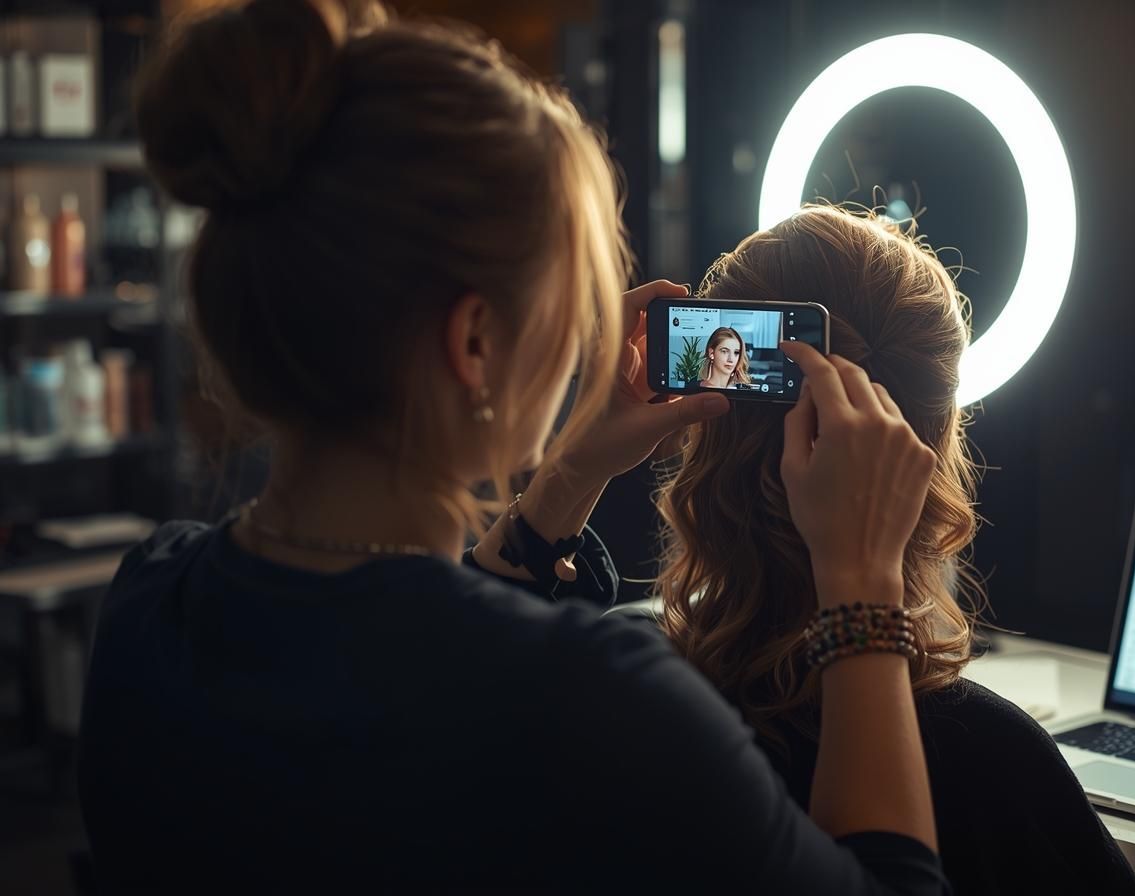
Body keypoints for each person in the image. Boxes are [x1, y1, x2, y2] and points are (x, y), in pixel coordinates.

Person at [76, 3, 950, 892]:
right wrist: (862, 589)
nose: (588, 332)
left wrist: (566, 480)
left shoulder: (148, 606)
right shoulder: (600, 705)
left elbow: (402, 659)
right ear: (475, 344)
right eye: (571, 295)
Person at [654, 206, 1135, 895]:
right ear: (925, 453)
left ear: (703, 437)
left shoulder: (624, 697)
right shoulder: (993, 761)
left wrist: (569, 476)